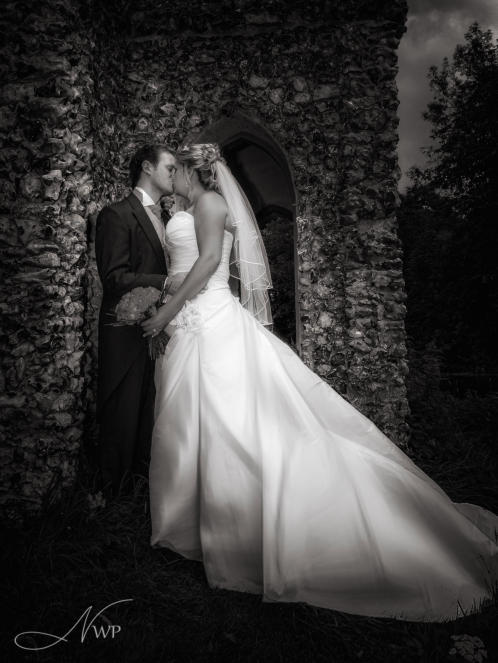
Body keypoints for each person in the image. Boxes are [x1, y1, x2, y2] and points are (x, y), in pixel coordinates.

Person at [141, 143, 498, 622]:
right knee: (201, 420)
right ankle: (196, 526)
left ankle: (234, 532)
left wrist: (168, 308)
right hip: (195, 320)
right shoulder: (193, 206)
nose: (173, 180)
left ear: (191, 170)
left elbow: (208, 264)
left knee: (230, 424)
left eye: (176, 170)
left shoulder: (209, 203)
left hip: (207, 315)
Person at [95, 143, 176, 496]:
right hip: (124, 331)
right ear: (147, 167)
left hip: (155, 327)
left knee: (148, 409)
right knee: (122, 412)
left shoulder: (166, 218)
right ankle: (112, 492)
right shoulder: (116, 215)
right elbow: (113, 277)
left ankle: (140, 489)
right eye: (170, 168)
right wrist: (164, 283)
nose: (175, 174)